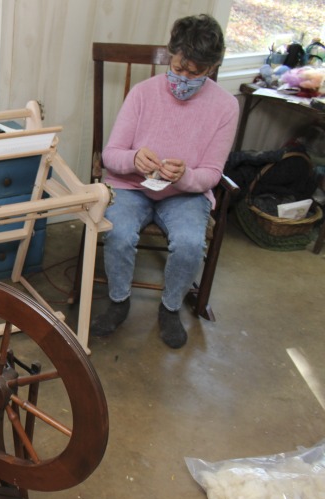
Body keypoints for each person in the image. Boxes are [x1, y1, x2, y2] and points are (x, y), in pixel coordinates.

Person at [89, 14, 239, 349]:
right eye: (179, 66)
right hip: (131, 186)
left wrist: (185, 176)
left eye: (195, 72)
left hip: (186, 195)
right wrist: (133, 158)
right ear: (171, 54)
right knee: (118, 232)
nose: (183, 77)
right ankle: (118, 301)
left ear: (212, 67)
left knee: (189, 243)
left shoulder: (226, 107)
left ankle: (170, 308)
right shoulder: (143, 94)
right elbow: (111, 155)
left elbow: (212, 174)